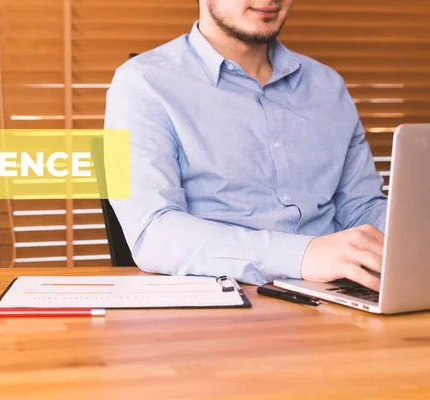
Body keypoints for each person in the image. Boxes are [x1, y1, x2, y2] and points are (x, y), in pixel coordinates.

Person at [103, 0, 387, 291]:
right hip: (221, 305)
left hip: (342, 295)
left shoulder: (328, 85)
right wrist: (301, 255)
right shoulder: (139, 82)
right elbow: (152, 234)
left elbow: (362, 208)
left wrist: (411, 235)